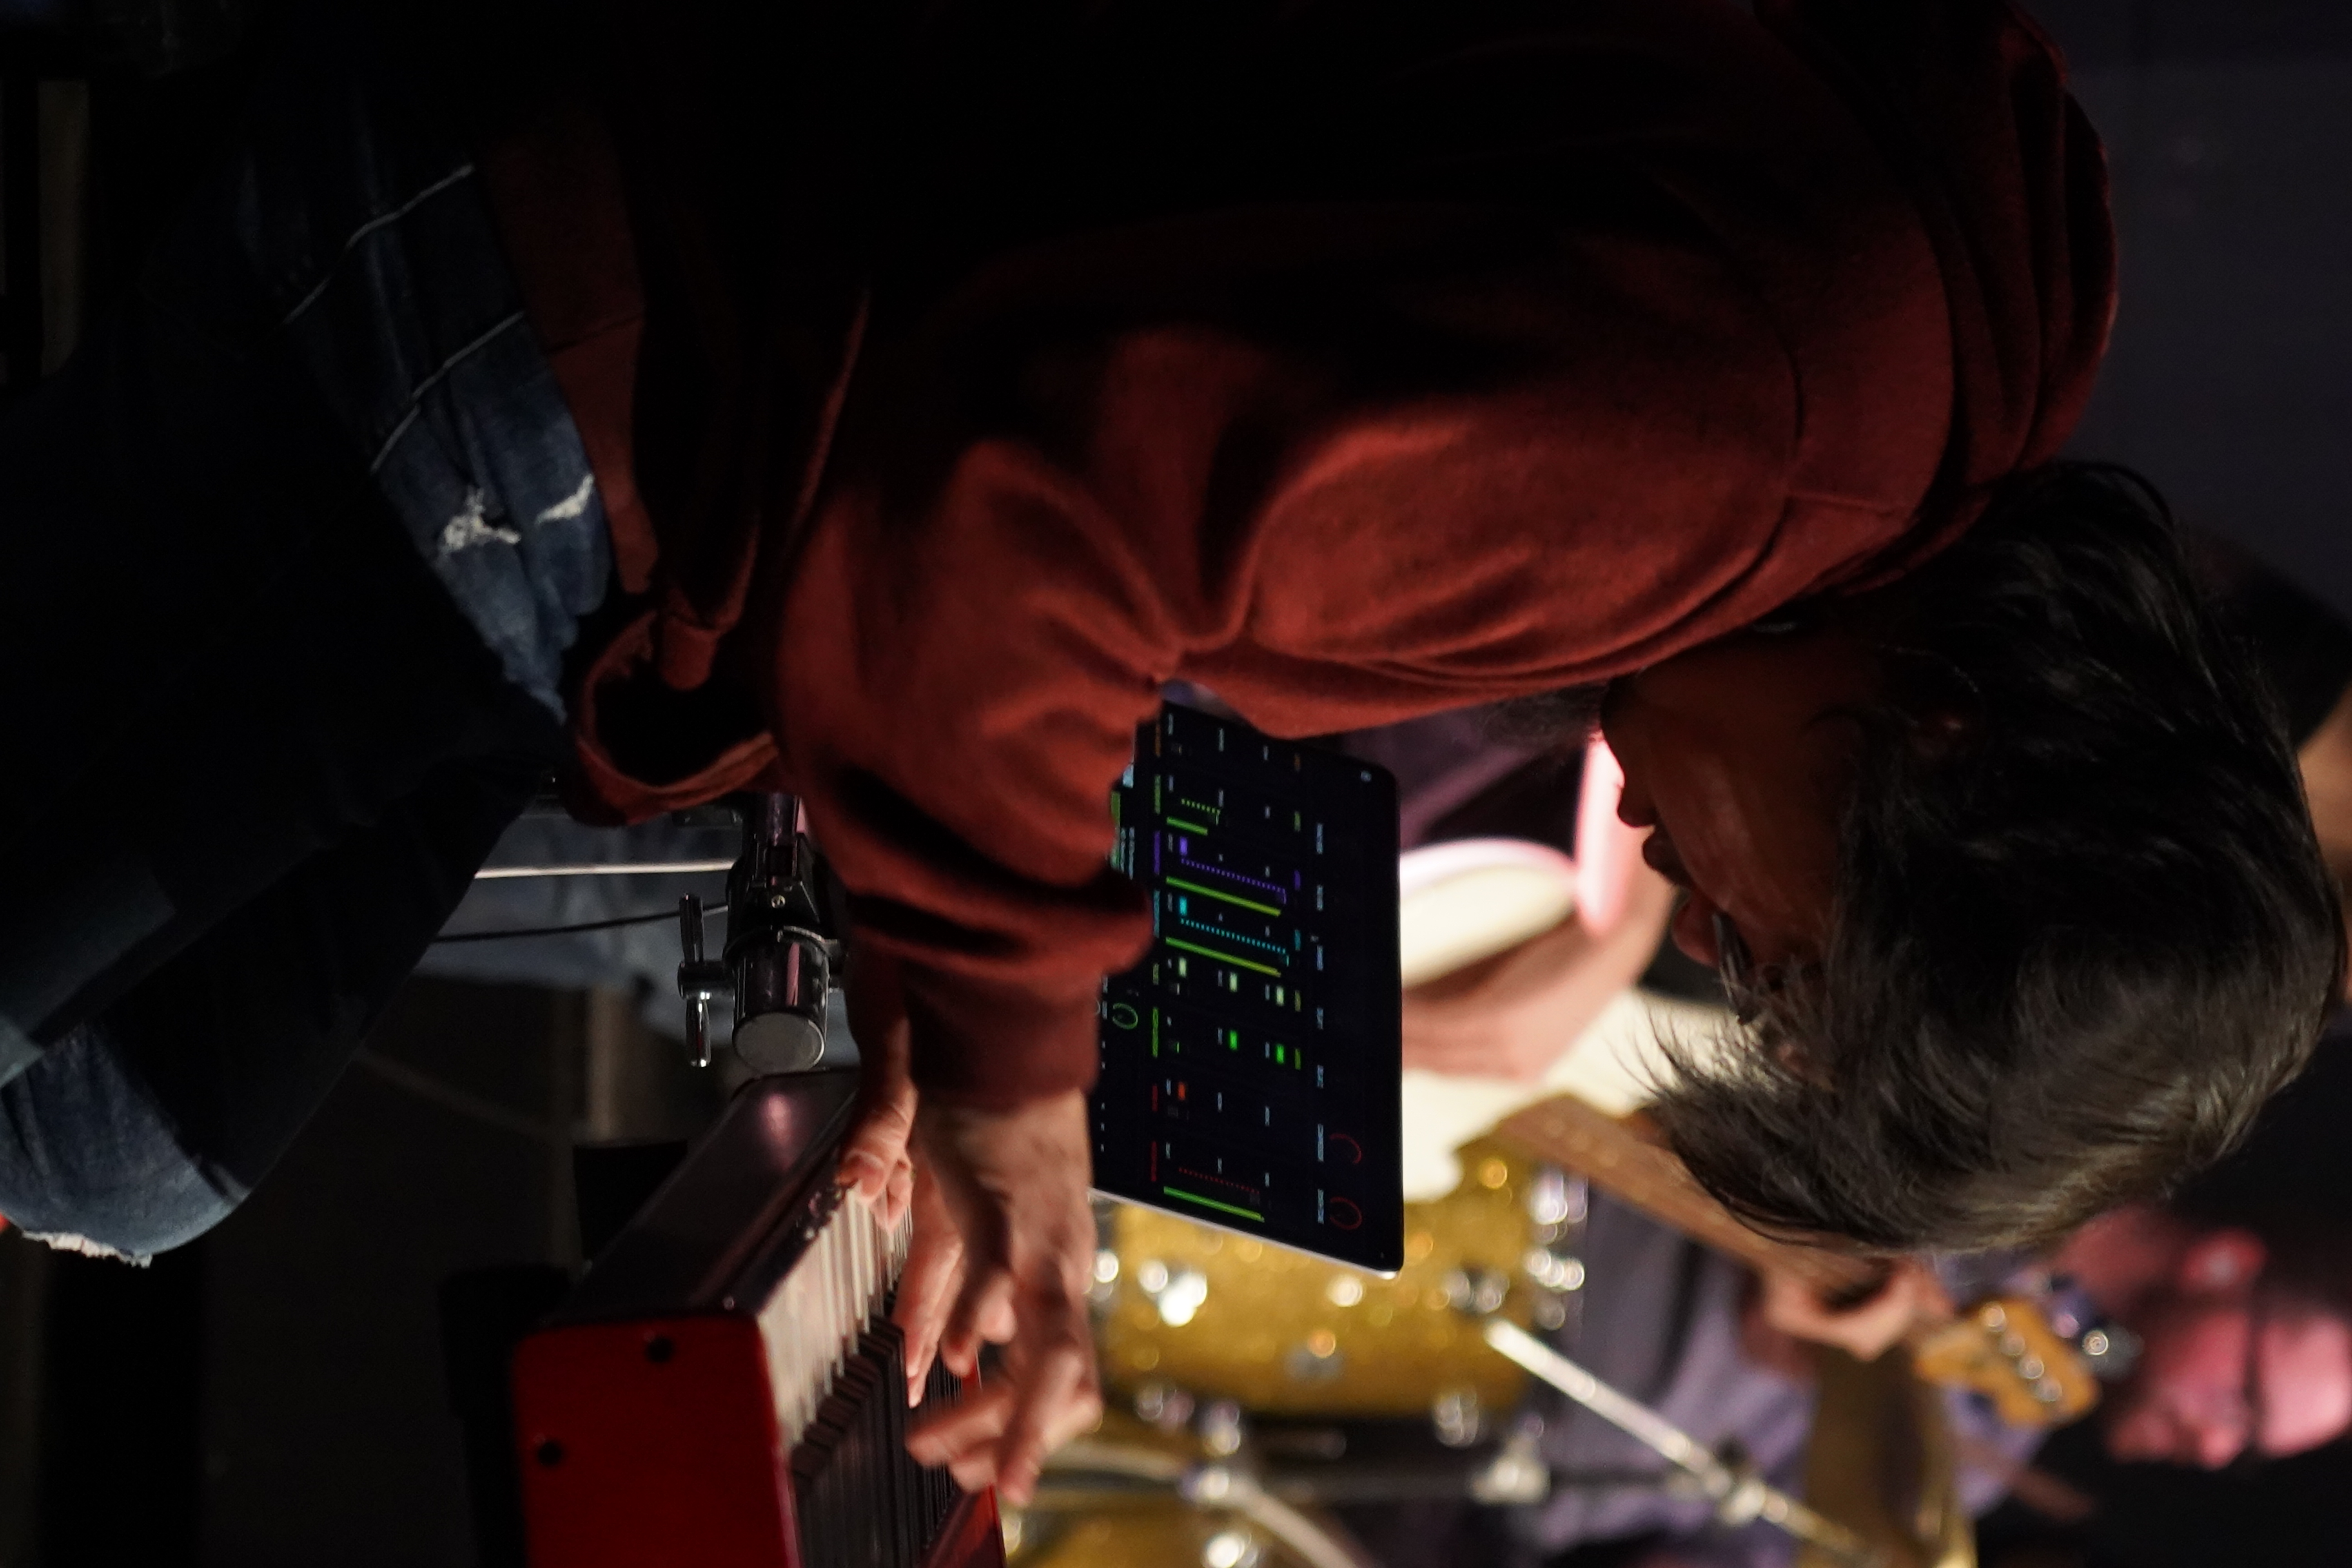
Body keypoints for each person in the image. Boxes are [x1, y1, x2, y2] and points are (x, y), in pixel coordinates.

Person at [0, 0, 2339, 1504]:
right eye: (1797, 955)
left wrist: (951, 982)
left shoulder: (1938, 364)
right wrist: (1025, 1087)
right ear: (1946, 741)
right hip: (553, 343)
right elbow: (1004, 510)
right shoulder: (1745, 435)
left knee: (125, 1154)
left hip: (637, 411)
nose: (1714, 937)